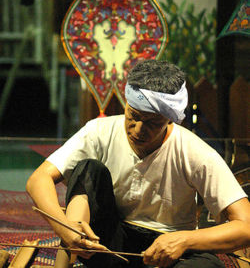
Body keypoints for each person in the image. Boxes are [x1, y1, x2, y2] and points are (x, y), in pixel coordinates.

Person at [26, 59, 250, 268]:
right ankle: (70, 256)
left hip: (167, 250)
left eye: (153, 122)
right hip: (106, 243)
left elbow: (246, 225)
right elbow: (39, 179)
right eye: (133, 115)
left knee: (208, 265)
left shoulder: (195, 152)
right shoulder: (99, 132)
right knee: (87, 169)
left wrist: (184, 240)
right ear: (126, 104)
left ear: (169, 118)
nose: (139, 129)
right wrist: (66, 229)